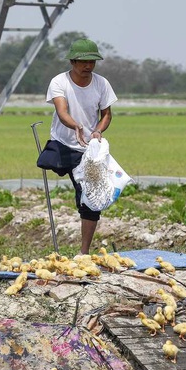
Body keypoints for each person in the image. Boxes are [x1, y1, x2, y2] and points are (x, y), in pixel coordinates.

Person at [37, 38, 118, 255]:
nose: (88, 66)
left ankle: (83, 253)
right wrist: (76, 126)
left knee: (90, 199)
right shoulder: (59, 82)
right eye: (83, 62)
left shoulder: (102, 83)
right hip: (63, 142)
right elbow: (62, 112)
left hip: (89, 149)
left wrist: (98, 131)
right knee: (47, 163)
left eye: (92, 62)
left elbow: (107, 114)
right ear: (73, 62)